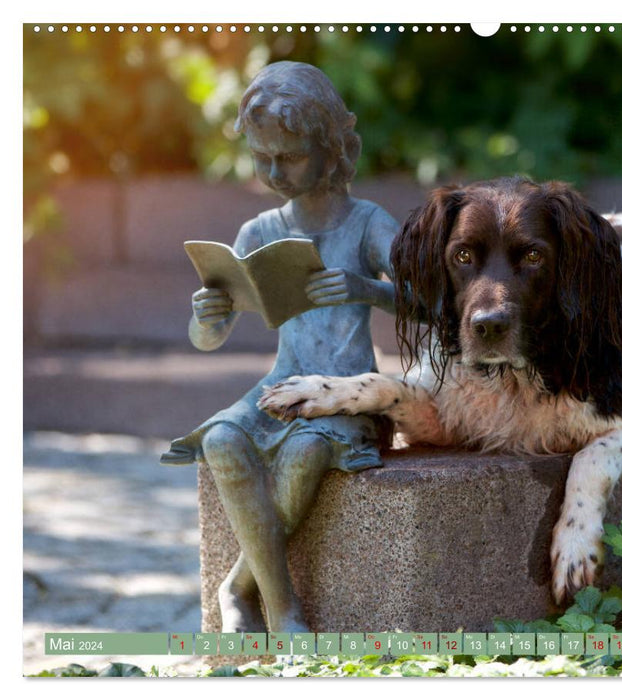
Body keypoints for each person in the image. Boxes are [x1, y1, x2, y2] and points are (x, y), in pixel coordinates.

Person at [161, 61, 398, 632]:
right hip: (280, 383)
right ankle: (273, 603)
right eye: (262, 158)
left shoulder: (365, 223)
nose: (274, 171)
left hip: (344, 393)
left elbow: (433, 300)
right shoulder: (260, 232)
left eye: (289, 157)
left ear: (333, 147)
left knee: (303, 453)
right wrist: (208, 315)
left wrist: (370, 288)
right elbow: (207, 340)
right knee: (221, 439)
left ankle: (248, 592)